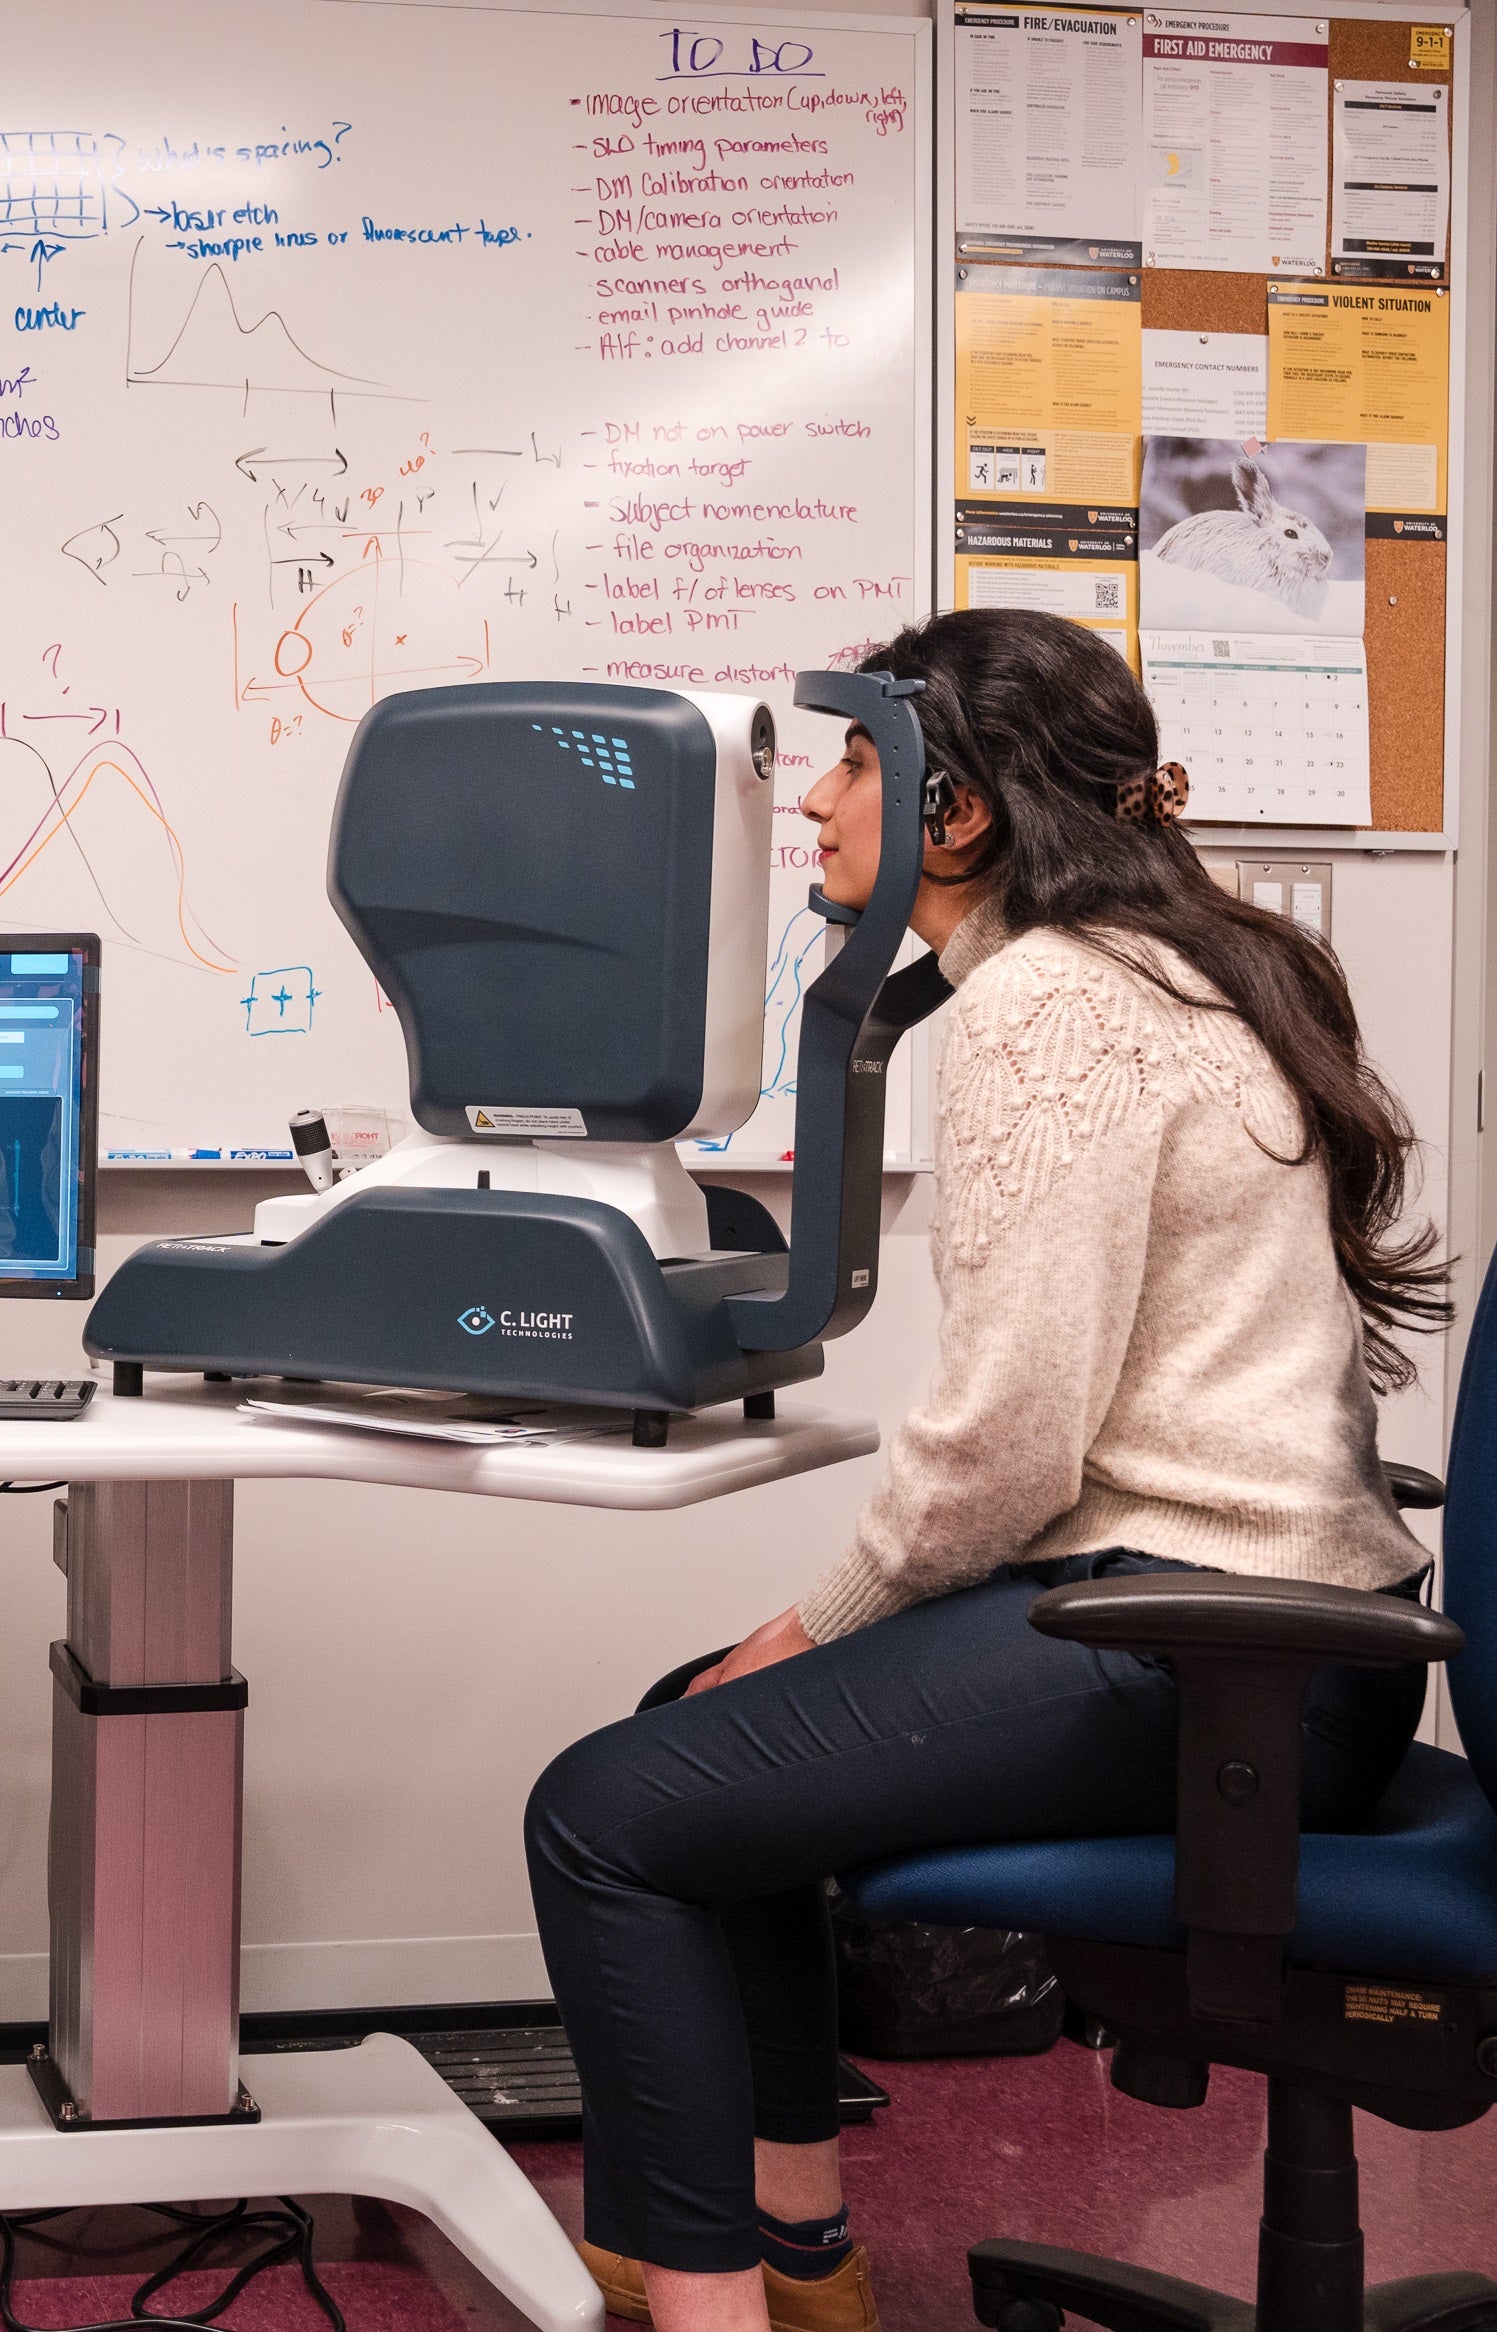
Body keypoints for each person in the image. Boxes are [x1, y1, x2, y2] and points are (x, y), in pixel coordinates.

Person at [523, 608, 1444, 2332]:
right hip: (1283, 1643)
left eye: (855, 762)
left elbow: (1011, 1442)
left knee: (604, 1812)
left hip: (1206, 1650)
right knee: (686, 1726)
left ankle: (702, 2299)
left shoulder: (1048, 998)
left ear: (955, 812)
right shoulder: (1193, 958)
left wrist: (814, 1623)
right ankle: (799, 2256)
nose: (814, 809)